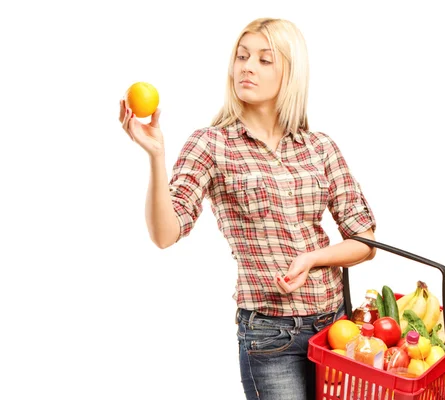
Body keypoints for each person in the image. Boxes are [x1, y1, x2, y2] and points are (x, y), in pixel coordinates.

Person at [118, 17, 377, 400]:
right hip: (270, 335)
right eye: (242, 56)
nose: (247, 67)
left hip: (336, 329)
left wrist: (312, 259)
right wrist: (157, 155)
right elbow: (164, 233)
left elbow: (366, 241)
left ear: (290, 73)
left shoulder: (319, 147)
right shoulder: (212, 144)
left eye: (264, 59)